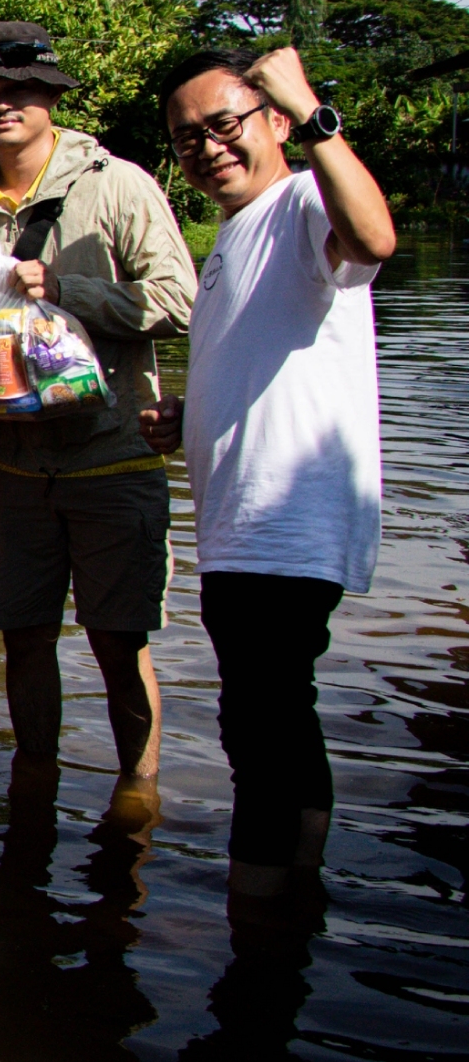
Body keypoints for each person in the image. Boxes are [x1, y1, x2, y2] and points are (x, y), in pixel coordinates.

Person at [142, 45, 394, 902]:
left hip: (285, 523)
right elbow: (261, 357)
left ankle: (252, 938)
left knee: (257, 730)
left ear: (273, 122)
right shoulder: (232, 239)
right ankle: (298, 897)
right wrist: (190, 417)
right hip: (246, 526)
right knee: (284, 720)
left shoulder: (299, 203)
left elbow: (374, 238)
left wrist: (317, 112)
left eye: (225, 126)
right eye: (187, 139)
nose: (208, 148)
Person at [0, 21, 195, 784]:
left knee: (120, 641)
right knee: (23, 638)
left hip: (111, 459)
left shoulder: (115, 184)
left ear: (52, 96)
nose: (2, 105)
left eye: (20, 90)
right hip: (12, 469)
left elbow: (178, 297)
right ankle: (35, 783)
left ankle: (138, 799)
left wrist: (69, 294)